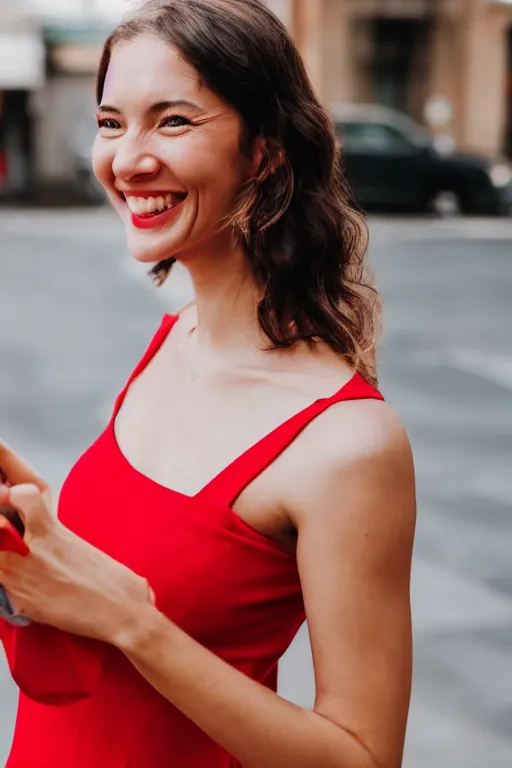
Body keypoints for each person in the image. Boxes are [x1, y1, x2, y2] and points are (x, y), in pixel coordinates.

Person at [0, 1, 416, 766]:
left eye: (174, 121)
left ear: (265, 152)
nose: (127, 159)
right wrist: (35, 542)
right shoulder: (171, 340)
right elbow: (123, 584)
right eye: (112, 121)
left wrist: (135, 623)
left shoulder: (348, 443)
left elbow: (364, 757)